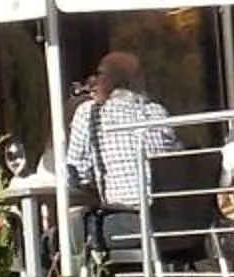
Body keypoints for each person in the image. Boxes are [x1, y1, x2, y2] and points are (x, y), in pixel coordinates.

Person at [63, 51, 180, 214]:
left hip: (123, 214)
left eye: (99, 74)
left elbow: (77, 172)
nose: (93, 82)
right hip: (166, 214)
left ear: (110, 81)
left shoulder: (90, 112)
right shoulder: (158, 112)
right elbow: (175, 159)